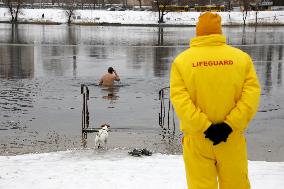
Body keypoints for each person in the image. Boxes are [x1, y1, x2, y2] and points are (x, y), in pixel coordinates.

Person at [170, 12, 260, 189]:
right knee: (236, 185)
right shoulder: (241, 59)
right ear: (219, 32)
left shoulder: (182, 62)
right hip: (231, 138)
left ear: (198, 32)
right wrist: (229, 125)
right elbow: (251, 96)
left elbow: (181, 101)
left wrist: (205, 127)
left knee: (200, 185)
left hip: (198, 138)